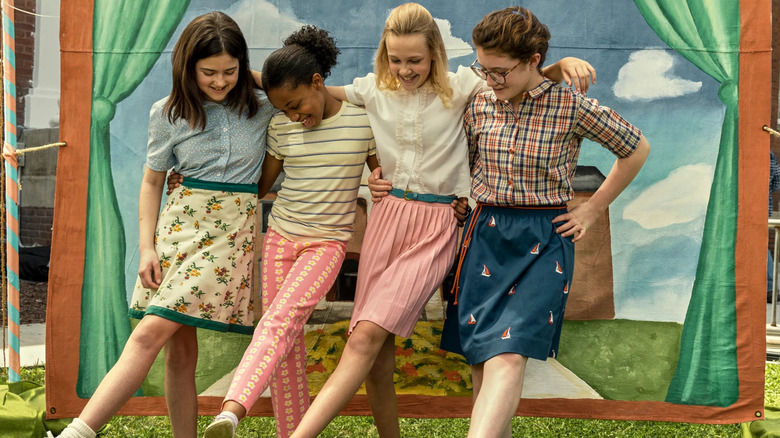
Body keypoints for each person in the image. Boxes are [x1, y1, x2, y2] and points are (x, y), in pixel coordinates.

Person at [289, 3, 596, 437]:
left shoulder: (463, 86)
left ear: (434, 52)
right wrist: (248, 77)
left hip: (436, 224)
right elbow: (321, 93)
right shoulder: (374, 89)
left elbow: (520, 74)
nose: (405, 69)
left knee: (363, 338)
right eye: (395, 59)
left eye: (414, 60)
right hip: (386, 219)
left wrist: (559, 65)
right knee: (376, 352)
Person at [52, 11, 275, 438]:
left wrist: (249, 76)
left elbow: (289, 86)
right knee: (179, 352)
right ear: (187, 66)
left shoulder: (262, 107)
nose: (219, 81)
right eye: (208, 71)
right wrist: (148, 247)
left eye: (230, 71)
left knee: (147, 334)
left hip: (229, 236)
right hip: (178, 231)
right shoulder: (168, 113)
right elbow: (152, 181)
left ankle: (78, 433)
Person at [438, 7, 650, 437]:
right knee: (483, 357)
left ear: (532, 60)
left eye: (501, 72)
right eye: (484, 69)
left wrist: (592, 208)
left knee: (510, 354)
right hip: (485, 235)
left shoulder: (569, 104)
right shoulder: (478, 99)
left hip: (543, 240)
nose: (491, 81)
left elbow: (636, 147)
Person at [200, 25, 378, 438]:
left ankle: (231, 411)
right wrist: (196, 185)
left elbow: (384, 174)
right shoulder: (282, 128)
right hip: (280, 238)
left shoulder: (362, 123)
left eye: (297, 104)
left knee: (279, 321)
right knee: (287, 345)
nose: (295, 116)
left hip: (327, 244)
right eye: (284, 109)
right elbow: (261, 187)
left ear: (318, 82)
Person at [768, 151, 780, 302]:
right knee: (761, 246)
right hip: (763, 206)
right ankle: (770, 288)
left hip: (739, 206)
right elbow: (777, 183)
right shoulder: (769, 155)